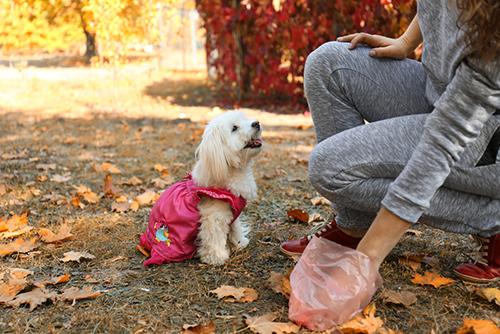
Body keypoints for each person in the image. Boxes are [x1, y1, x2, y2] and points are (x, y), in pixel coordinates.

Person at [281, 0, 499, 283]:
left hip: (486, 135)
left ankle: (492, 219)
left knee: (330, 170)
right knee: (328, 64)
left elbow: (443, 142)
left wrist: (366, 260)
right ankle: (354, 225)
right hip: (441, 95)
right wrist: (407, 41)